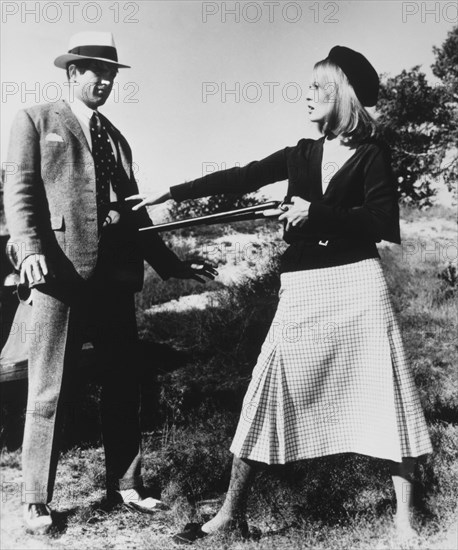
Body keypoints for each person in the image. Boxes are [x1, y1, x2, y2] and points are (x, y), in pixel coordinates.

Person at [128, 46, 432, 544]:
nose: (307, 95)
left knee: (385, 392)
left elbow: (384, 224)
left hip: (357, 284)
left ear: (343, 94)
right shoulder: (301, 153)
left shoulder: (374, 153)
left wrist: (317, 213)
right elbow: (242, 175)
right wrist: (170, 193)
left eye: (317, 87)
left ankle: (403, 521)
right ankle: (231, 513)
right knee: (266, 390)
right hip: (304, 287)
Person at [4, 31, 216, 535]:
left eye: (111, 75)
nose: (103, 82)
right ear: (72, 74)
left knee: (123, 383)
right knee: (48, 387)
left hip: (115, 281)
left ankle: (126, 485)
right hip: (57, 276)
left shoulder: (116, 139)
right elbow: (20, 192)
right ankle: (36, 499)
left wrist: (173, 265)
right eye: (94, 72)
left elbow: (136, 218)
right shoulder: (35, 120)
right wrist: (31, 251)